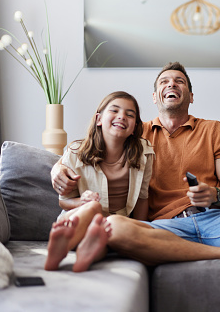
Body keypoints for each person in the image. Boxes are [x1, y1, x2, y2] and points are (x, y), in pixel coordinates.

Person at [52, 62, 220, 312]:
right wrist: (56, 169)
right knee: (114, 228)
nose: (171, 84)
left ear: (191, 96)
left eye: (179, 81)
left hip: (216, 219)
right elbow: (90, 149)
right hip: (164, 226)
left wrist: (214, 194)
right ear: (154, 96)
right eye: (164, 81)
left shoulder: (213, 129)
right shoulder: (135, 133)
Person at [45, 91, 155, 272]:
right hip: (79, 218)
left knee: (106, 234)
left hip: (115, 222)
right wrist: (84, 201)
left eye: (130, 114)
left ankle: (88, 253)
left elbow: (143, 197)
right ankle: (64, 244)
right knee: (94, 208)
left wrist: (140, 228)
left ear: (134, 126)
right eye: (115, 110)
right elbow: (62, 200)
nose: (122, 116)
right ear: (98, 119)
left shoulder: (144, 154)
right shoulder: (75, 152)